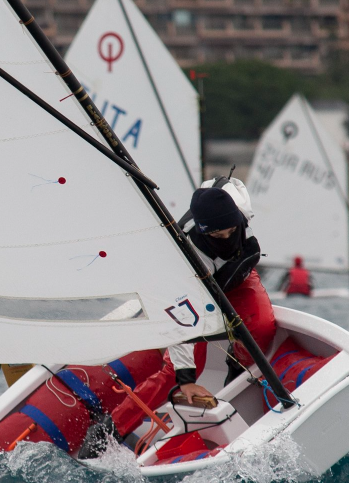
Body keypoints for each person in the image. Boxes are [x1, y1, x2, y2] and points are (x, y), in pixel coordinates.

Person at [111, 177, 277, 437]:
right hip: (195, 292)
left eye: (231, 231)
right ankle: (111, 428)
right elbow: (180, 324)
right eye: (216, 235)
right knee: (175, 373)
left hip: (238, 279)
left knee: (263, 328)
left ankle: (237, 366)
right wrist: (186, 379)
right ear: (202, 231)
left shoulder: (238, 203)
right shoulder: (184, 259)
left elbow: (221, 184)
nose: (226, 238)